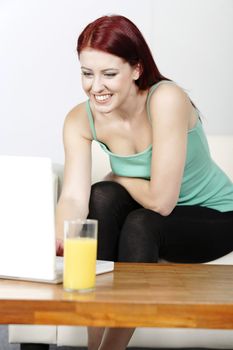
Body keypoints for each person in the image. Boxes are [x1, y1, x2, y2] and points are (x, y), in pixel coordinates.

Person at [55, 14, 233, 350]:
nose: (96, 87)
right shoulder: (80, 118)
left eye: (109, 74)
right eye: (87, 73)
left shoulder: (166, 98)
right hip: (154, 211)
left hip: (215, 214)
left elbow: (162, 201)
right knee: (102, 194)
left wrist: (120, 174)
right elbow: (74, 198)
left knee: (140, 222)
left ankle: (112, 348)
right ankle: (94, 345)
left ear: (136, 69)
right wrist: (60, 237)